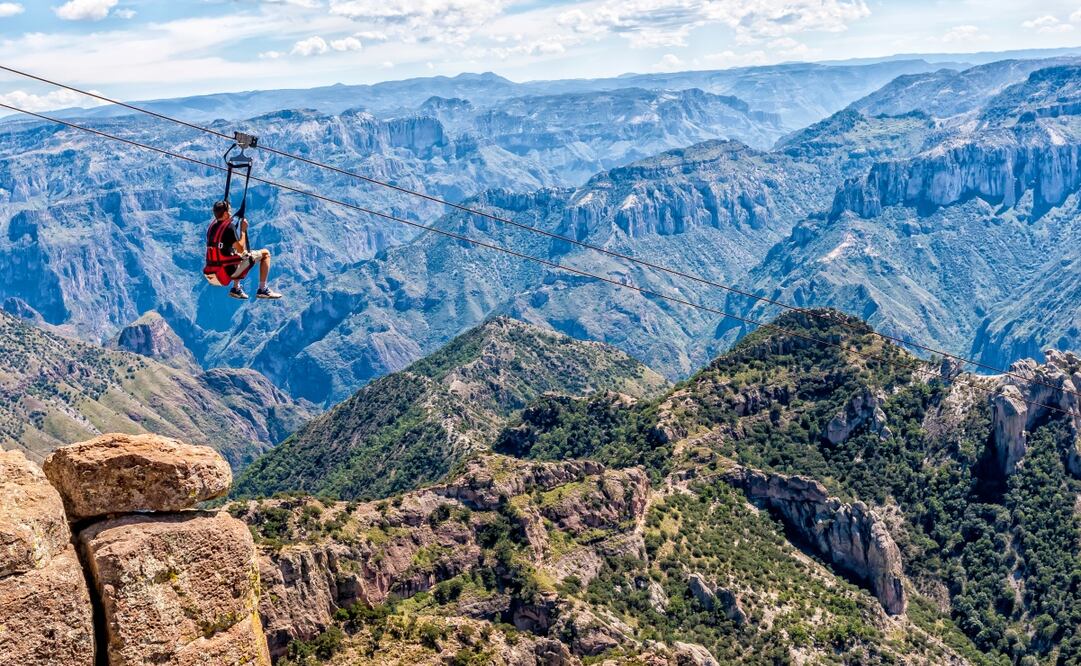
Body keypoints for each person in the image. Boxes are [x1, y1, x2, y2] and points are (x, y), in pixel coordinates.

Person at [207, 200, 282, 300]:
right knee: (265, 253)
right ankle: (262, 289)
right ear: (225, 214)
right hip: (229, 271)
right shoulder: (229, 228)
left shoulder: (212, 227)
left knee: (233, 253)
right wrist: (243, 230)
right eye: (229, 210)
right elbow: (241, 249)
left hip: (214, 269)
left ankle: (236, 288)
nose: (231, 212)